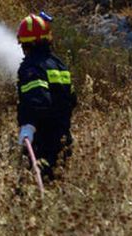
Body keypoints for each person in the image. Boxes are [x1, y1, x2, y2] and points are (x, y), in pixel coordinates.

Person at [16, 12, 76, 180]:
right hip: (64, 140)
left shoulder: (31, 67)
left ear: (26, 44)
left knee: (30, 192)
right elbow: (72, 99)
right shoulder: (59, 65)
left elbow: (38, 100)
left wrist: (29, 126)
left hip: (42, 144)